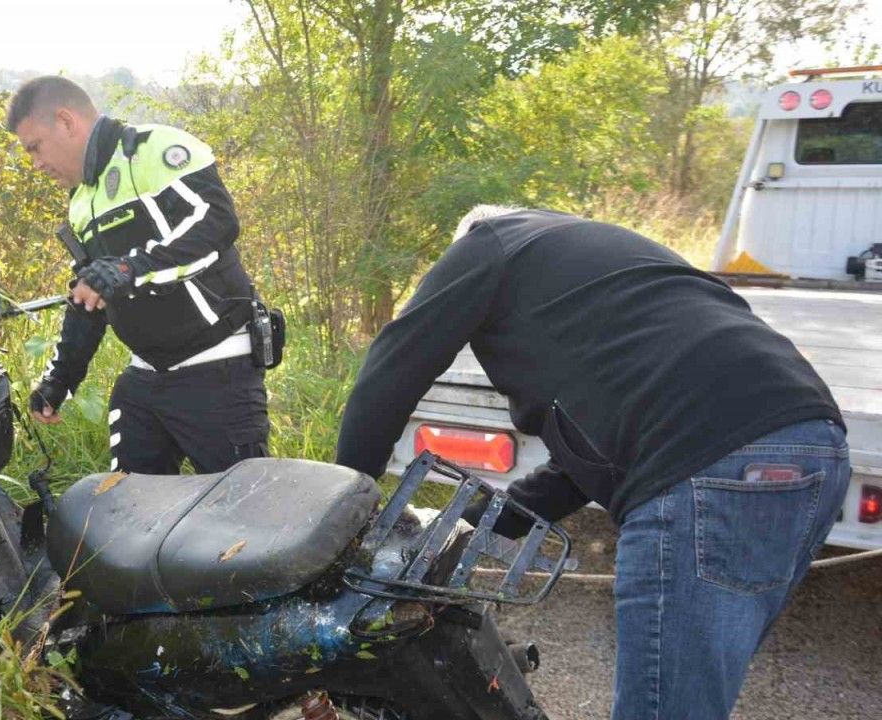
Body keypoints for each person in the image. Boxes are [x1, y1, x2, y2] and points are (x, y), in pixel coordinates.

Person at [335, 206, 849, 719]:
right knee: (689, 697)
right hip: (813, 445)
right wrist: (471, 526)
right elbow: (582, 466)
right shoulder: (600, 254)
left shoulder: (488, 241)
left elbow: (396, 363)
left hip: (704, 462)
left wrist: (346, 507)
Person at [6, 76, 268, 474]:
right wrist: (60, 380)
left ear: (64, 120)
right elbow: (92, 295)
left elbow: (217, 221)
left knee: (245, 520)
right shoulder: (79, 204)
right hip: (145, 379)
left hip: (217, 369)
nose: (36, 163)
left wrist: (130, 267)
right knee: (128, 514)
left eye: (35, 147)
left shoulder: (153, 149)